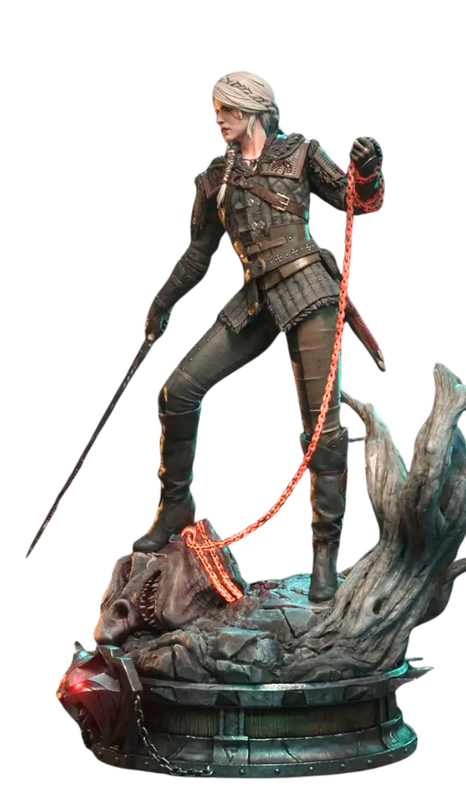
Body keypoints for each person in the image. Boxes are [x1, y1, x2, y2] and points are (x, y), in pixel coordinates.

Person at [133, 71, 384, 602]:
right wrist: (162, 301)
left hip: (310, 290)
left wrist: (368, 170)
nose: (219, 118)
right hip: (256, 299)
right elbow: (198, 255)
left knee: (321, 431)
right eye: (217, 109)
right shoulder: (215, 179)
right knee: (177, 393)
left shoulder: (300, 153)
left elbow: (355, 200)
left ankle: (324, 556)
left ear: (252, 110)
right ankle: (175, 508)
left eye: (227, 109)